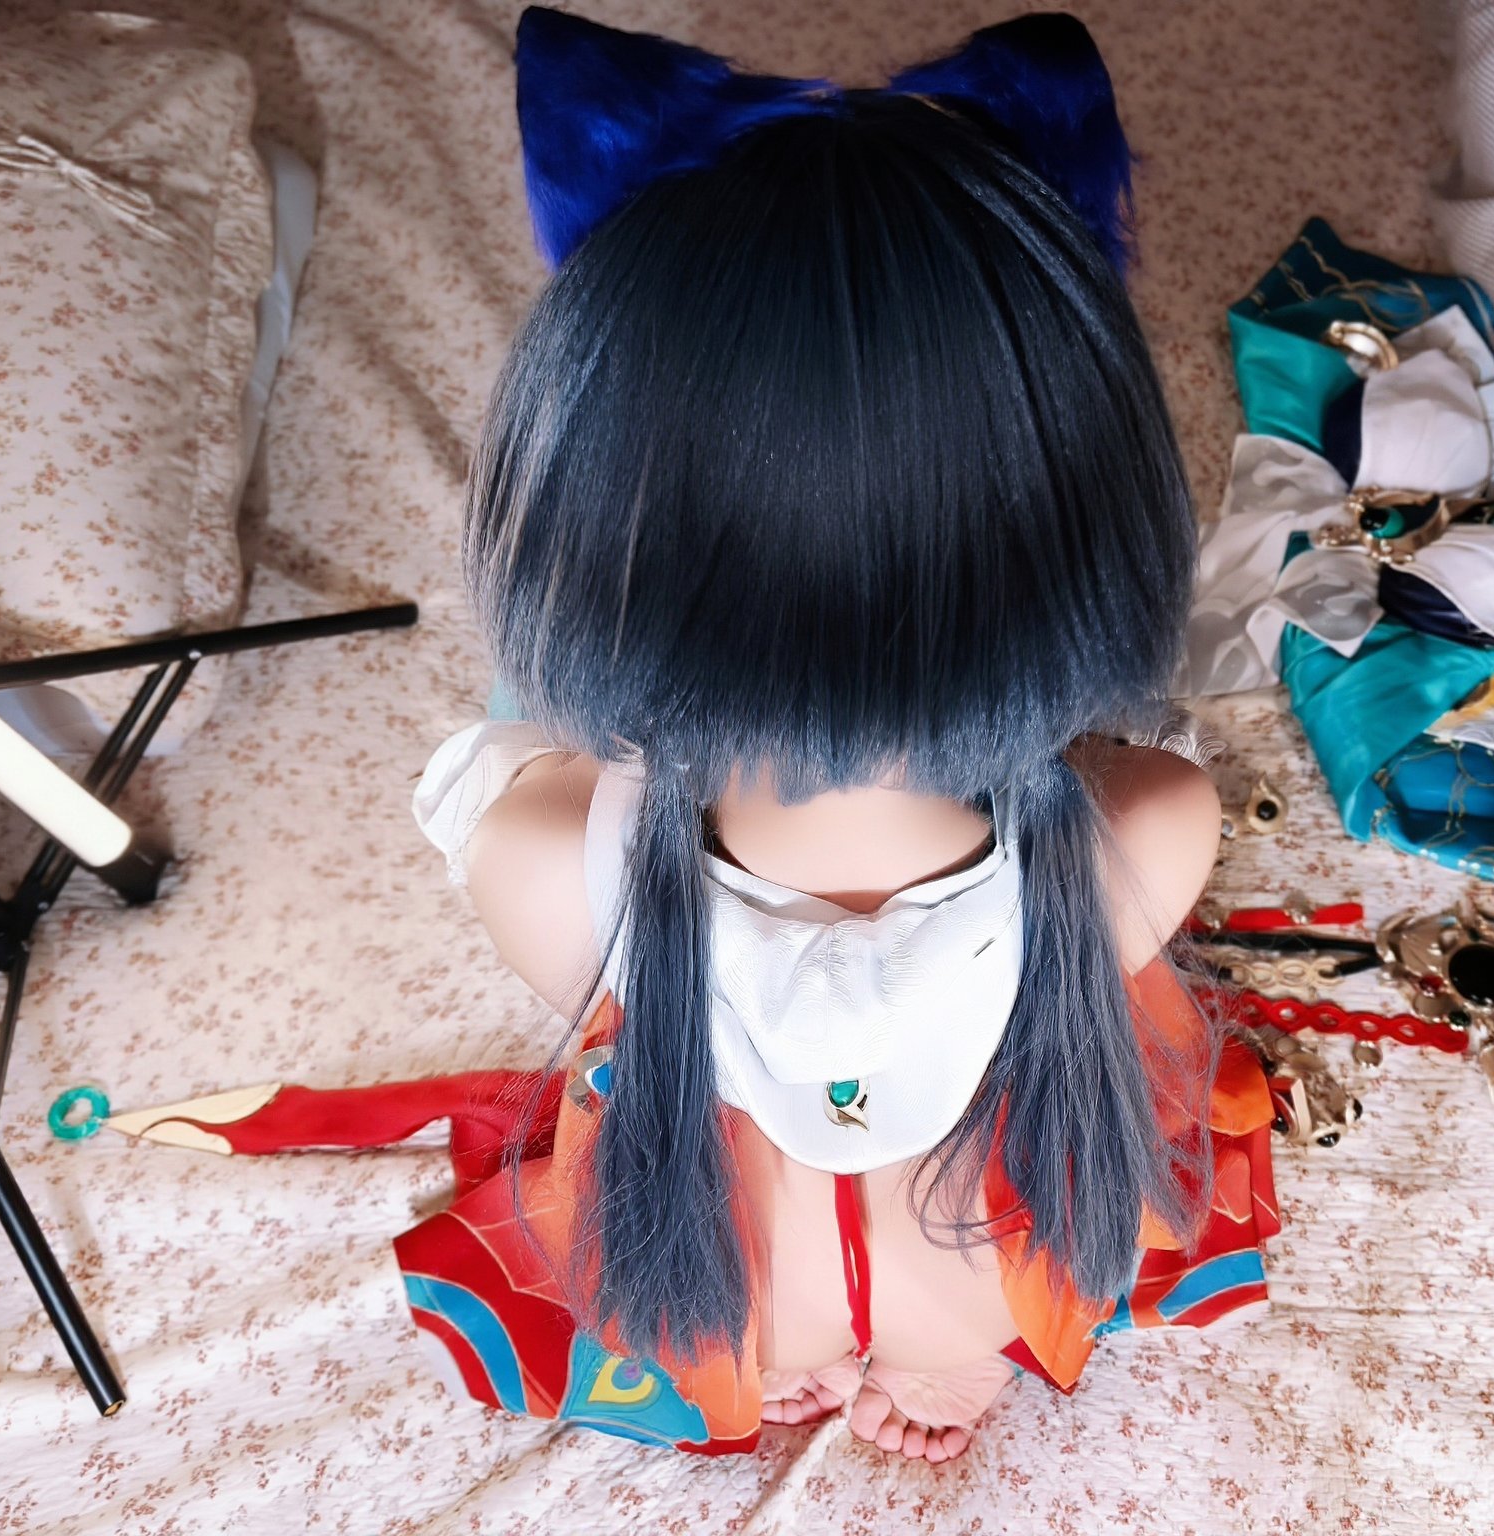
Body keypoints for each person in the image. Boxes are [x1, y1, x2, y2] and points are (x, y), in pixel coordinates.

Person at [402, 7, 1280, 1462]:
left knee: (680, 1110)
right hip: (990, 1266)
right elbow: (1113, 767)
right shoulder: (1155, 826)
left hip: (733, 1280)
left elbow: (535, 781)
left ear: (582, 544)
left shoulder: (541, 867)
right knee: (1054, 1088)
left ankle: (790, 1346)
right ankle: (952, 1350)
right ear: (1103, 535)